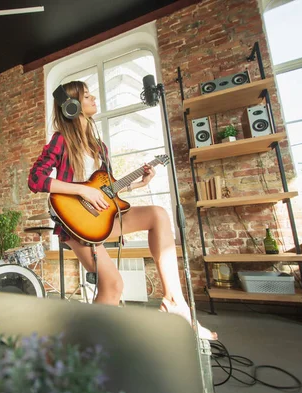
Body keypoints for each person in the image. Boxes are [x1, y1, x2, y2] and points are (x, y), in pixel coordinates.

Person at [27, 81, 217, 341]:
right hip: (76, 225)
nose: (94, 97)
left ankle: (174, 301)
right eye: (87, 95)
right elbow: (36, 180)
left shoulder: (100, 147)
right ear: (71, 106)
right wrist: (82, 191)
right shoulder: (61, 140)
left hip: (104, 217)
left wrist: (139, 183)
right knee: (114, 285)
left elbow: (106, 191)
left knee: (158, 214)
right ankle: (83, 350)